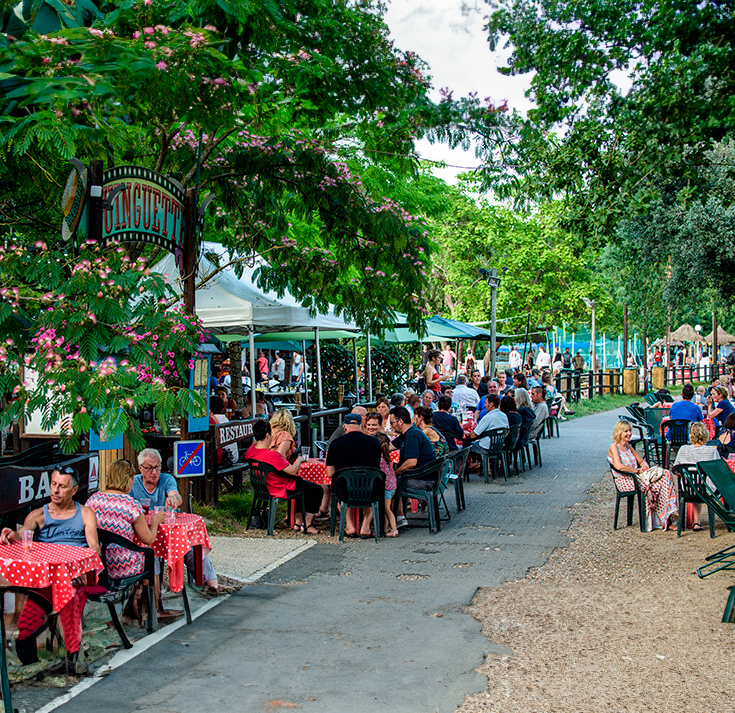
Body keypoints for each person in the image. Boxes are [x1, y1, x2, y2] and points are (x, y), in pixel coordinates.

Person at [0, 465, 100, 665]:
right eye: (53, 484)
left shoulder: (85, 514)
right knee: (28, 620)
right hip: (46, 580)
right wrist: (10, 534)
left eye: (61, 486)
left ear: (73, 490)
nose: (55, 490)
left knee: (70, 605)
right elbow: (22, 534)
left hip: (76, 576)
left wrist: (84, 568)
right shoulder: (39, 515)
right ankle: (29, 662)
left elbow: (94, 547)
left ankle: (73, 661)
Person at [131, 449, 220, 592]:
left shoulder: (166, 479)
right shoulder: (134, 483)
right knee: (149, 551)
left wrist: (173, 499)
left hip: (170, 533)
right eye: (149, 468)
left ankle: (211, 584)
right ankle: (155, 591)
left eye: (157, 467)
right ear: (140, 468)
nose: (154, 472)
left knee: (192, 548)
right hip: (147, 532)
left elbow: (176, 496)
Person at [246, 419, 322, 534]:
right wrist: (298, 461)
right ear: (267, 435)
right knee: (316, 489)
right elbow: (292, 470)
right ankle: (307, 524)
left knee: (302, 485)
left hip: (261, 487)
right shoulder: (272, 456)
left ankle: (297, 522)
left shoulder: (250, 451)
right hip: (278, 487)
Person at [608, 421, 678, 531]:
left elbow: (640, 460)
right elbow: (619, 466)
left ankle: (666, 517)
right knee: (656, 486)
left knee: (666, 474)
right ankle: (663, 519)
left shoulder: (628, 446)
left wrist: (644, 465)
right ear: (619, 433)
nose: (629, 433)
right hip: (625, 479)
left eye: (630, 431)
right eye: (626, 431)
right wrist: (636, 471)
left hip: (636, 477)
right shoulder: (614, 447)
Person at [326, 413, 382, 538]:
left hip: (346, 490)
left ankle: (350, 525)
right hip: (370, 489)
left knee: (338, 490)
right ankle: (366, 526)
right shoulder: (374, 442)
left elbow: (329, 473)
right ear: (362, 425)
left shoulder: (336, 444)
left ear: (344, 427)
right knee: (375, 491)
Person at [674, 421, 721, 531]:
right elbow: (718, 469)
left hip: (688, 490)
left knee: (695, 482)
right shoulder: (711, 451)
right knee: (707, 483)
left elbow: (675, 469)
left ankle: (697, 521)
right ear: (706, 434)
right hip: (707, 491)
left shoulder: (683, 449)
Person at [390, 406, 436, 508]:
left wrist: (395, 473)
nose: (391, 426)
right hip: (422, 477)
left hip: (424, 481)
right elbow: (389, 446)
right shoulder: (406, 434)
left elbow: (411, 463)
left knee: (387, 484)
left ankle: (394, 517)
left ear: (400, 421)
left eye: (392, 423)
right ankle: (397, 516)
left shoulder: (412, 435)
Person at [466, 394, 509, 467]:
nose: (485, 405)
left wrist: (467, 433)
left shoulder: (487, 417)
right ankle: (483, 467)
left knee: (466, 447)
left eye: (486, 403)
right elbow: (507, 431)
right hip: (499, 446)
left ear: (491, 404)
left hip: (485, 448)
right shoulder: (503, 416)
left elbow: (474, 435)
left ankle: (466, 469)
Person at [375, 433, 399, 537]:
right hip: (392, 486)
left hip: (386, 488)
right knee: (385, 509)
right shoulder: (386, 458)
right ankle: (385, 529)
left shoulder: (379, 461)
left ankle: (394, 529)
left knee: (387, 509)